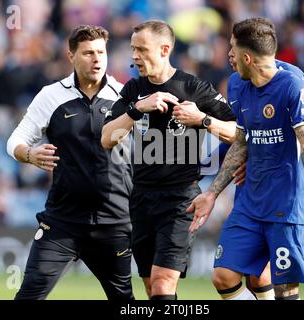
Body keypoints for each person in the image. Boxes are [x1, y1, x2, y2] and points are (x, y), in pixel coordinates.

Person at [188, 17, 304, 300]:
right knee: (223, 276)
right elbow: (241, 141)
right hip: (249, 201)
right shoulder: (236, 85)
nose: (228, 56)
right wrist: (212, 193)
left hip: (287, 205)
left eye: (232, 49)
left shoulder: (293, 84)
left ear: (246, 57)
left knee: (284, 290)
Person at [101, 20, 237, 300]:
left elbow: (239, 132)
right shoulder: (132, 91)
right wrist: (138, 109)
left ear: (165, 49)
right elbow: (106, 138)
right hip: (140, 198)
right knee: (152, 287)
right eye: (132, 49)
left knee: (163, 284)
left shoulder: (194, 87)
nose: (135, 56)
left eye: (141, 49)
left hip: (180, 200)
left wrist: (203, 119)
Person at [6, 25, 134, 300]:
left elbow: (152, 152)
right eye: (88, 53)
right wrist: (29, 154)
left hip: (115, 223)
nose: (97, 59)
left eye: (101, 52)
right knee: (28, 296)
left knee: (126, 303)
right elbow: (14, 140)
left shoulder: (125, 97)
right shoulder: (51, 96)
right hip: (63, 223)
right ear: (71, 56)